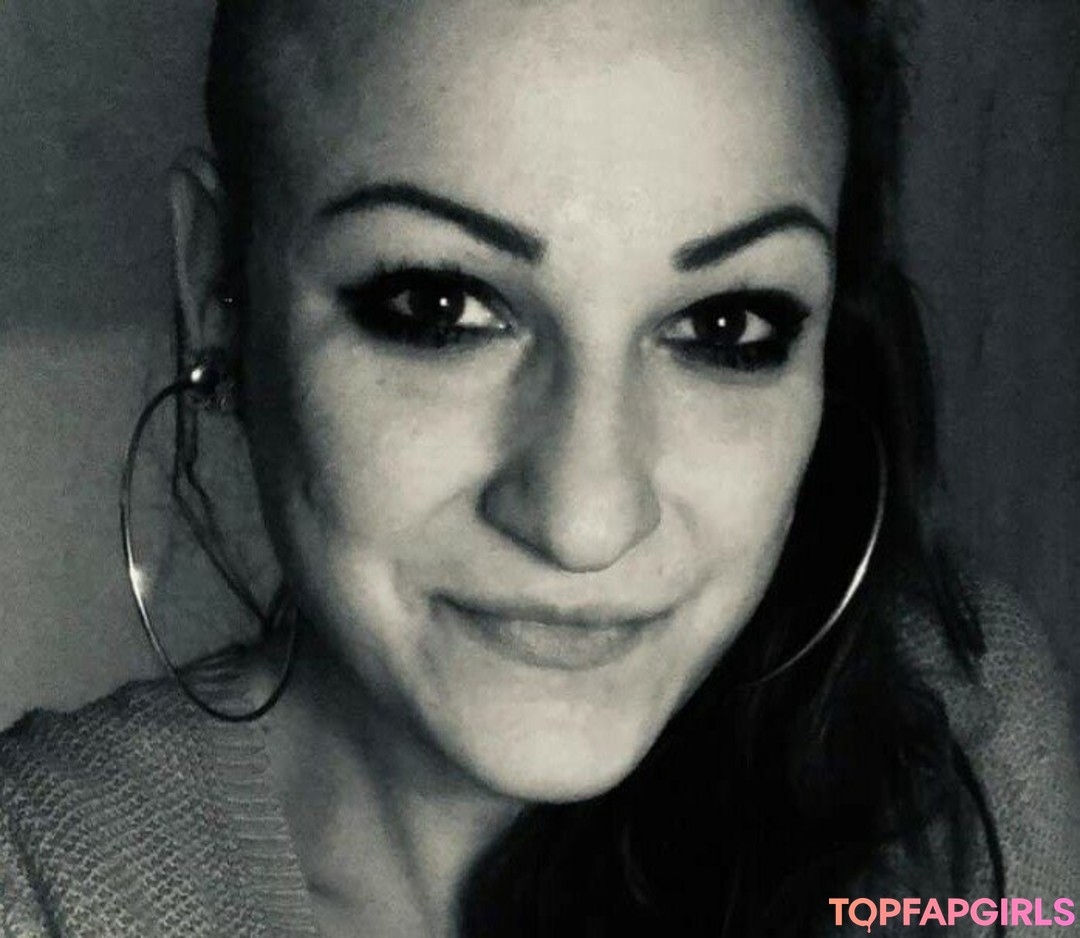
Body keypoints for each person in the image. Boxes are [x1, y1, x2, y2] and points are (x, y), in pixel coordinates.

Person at [2, 0, 1078, 935]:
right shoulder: (44, 893)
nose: (584, 520)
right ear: (216, 288)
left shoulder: (958, 743)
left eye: (725, 323)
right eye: (439, 305)